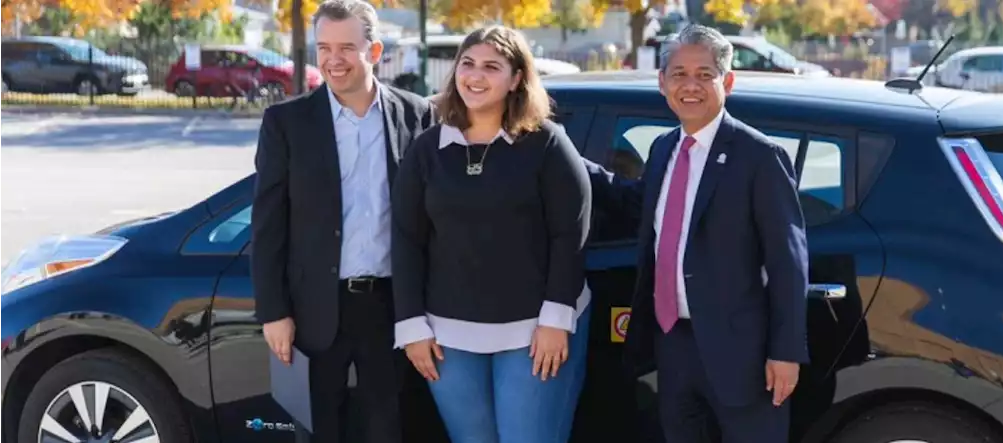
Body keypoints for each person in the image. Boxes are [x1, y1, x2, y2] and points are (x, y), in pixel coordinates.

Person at [605, 24, 810, 443]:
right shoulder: (663, 148)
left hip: (742, 353)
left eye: (704, 74)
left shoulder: (759, 157)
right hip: (673, 343)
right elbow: (639, 205)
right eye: (678, 74)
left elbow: (788, 263)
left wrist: (785, 352)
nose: (690, 86)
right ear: (662, 83)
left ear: (727, 82)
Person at [390, 25, 593, 443]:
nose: (475, 76)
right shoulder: (427, 149)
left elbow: (569, 235)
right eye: (467, 64)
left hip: (535, 331)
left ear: (517, 78)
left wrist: (557, 319)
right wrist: (411, 326)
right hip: (447, 337)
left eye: (491, 67)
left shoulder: (547, 145)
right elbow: (406, 239)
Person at [249, 0, 438, 441]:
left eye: (346, 48)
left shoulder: (416, 116)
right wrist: (274, 312)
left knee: (388, 428)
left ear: (374, 52)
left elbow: (431, 219)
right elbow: (268, 224)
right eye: (324, 47)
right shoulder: (285, 122)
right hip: (314, 308)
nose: (333, 60)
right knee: (317, 431)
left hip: (390, 307)